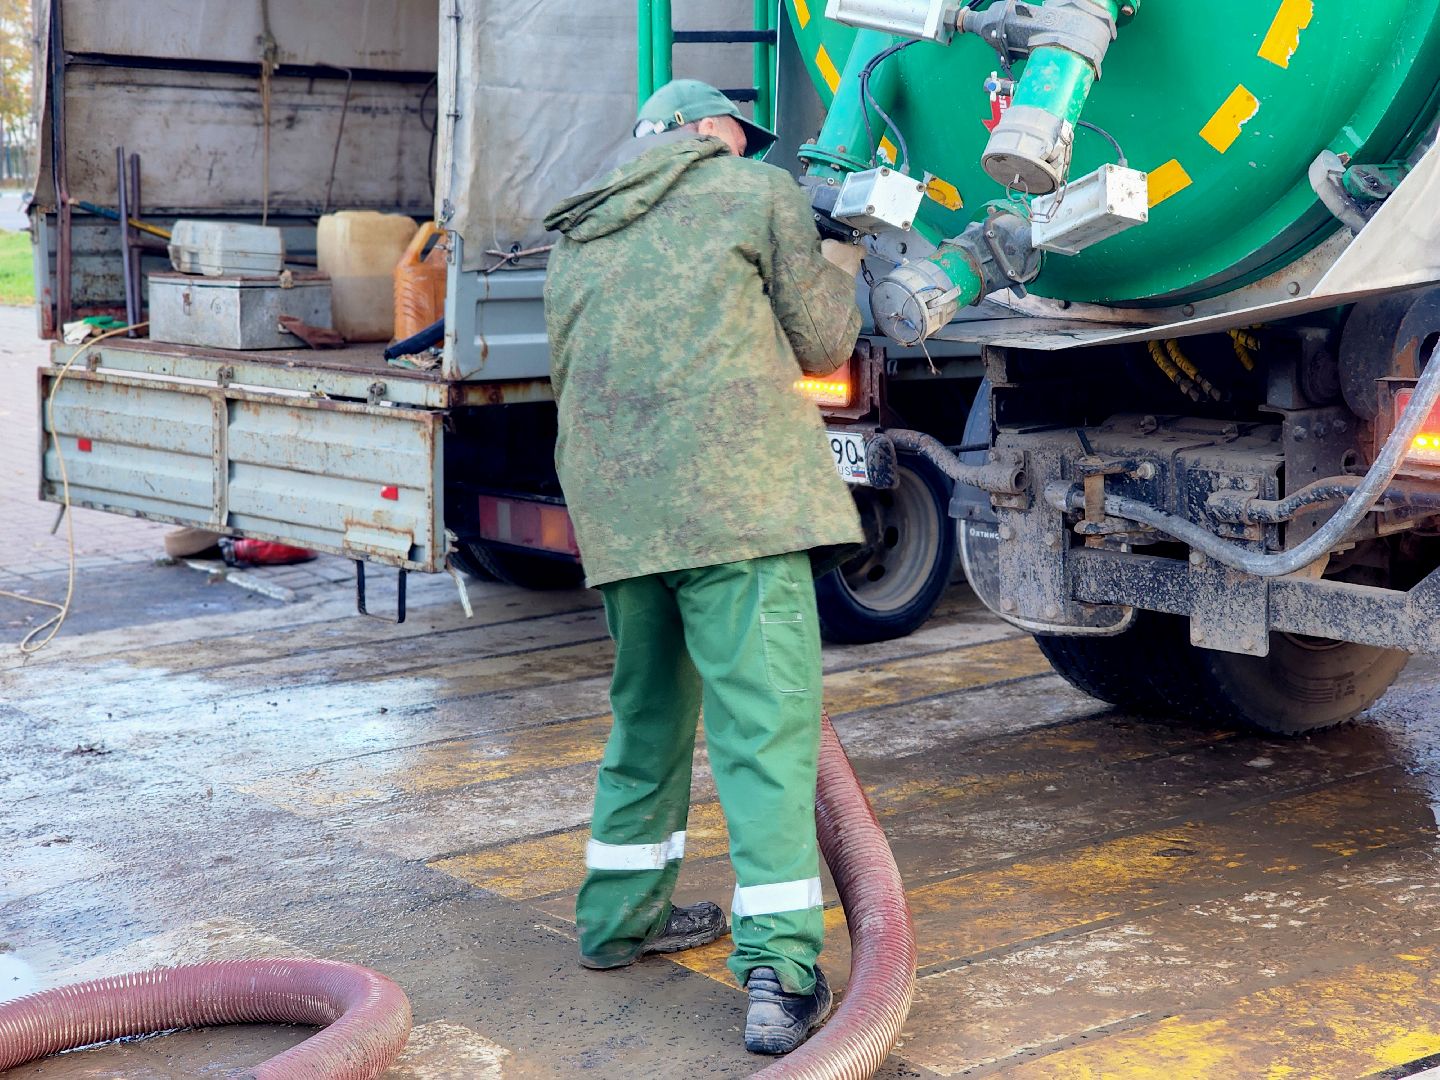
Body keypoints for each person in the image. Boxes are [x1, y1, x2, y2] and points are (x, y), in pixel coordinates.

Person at [542, 79, 866, 1055]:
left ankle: (617, 920)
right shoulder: (756, 190)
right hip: (736, 508)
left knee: (648, 716)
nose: (746, 148)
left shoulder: (579, 226)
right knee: (765, 736)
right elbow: (825, 339)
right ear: (712, 133)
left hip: (620, 517)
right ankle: (780, 969)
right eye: (739, 136)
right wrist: (844, 254)